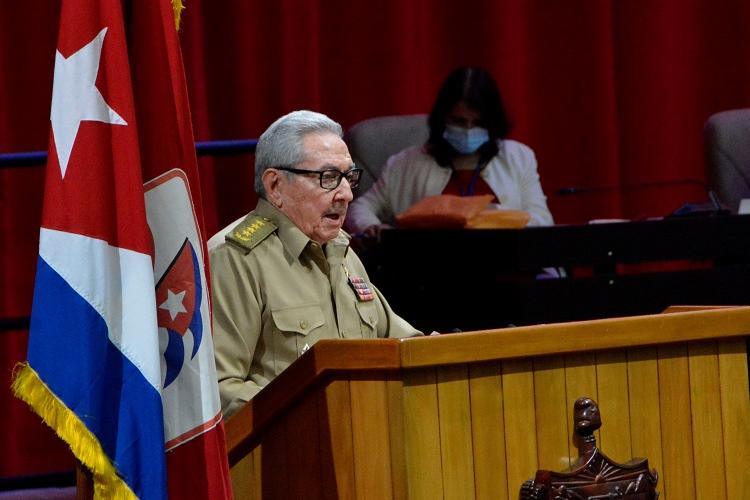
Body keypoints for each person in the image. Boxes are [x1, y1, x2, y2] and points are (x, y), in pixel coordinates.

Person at [209, 110, 422, 418]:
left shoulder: (340, 250)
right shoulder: (234, 259)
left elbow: (400, 343)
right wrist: (324, 415)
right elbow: (220, 390)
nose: (347, 194)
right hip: (286, 456)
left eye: (349, 177)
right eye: (329, 178)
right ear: (275, 186)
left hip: (365, 443)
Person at [346, 67, 554, 236]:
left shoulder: (519, 157)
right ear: (443, 118)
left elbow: (542, 220)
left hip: (509, 272)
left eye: (478, 123)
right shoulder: (405, 163)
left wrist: (493, 217)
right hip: (431, 277)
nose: (469, 130)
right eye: (459, 121)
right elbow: (360, 208)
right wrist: (372, 227)